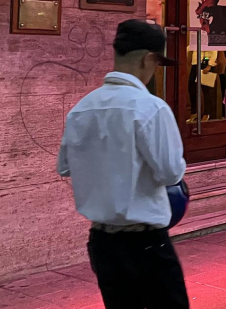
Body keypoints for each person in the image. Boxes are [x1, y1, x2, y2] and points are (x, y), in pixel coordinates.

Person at [57, 20, 189, 308]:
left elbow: (65, 167)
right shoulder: (151, 108)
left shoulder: (82, 108)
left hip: (102, 241)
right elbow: (171, 173)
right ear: (148, 59)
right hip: (145, 241)